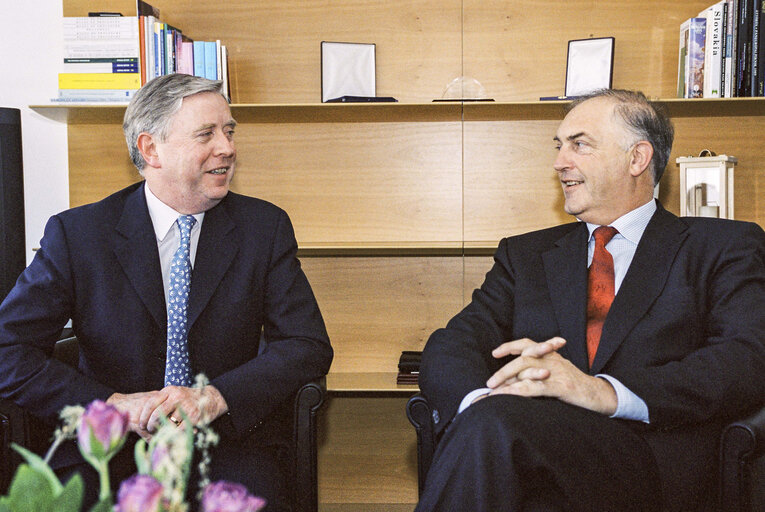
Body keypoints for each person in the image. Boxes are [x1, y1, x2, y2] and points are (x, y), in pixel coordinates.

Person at [415, 89, 765, 511]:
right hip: (526, 444)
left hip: (651, 460)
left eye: (579, 144)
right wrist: (479, 401)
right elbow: (453, 343)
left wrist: (604, 392)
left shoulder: (721, 246)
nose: (560, 161)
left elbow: (746, 358)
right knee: (490, 424)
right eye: (559, 146)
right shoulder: (524, 255)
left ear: (637, 159)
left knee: (494, 433)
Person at [0, 73, 333, 511]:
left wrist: (213, 398)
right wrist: (109, 406)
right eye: (206, 134)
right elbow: (8, 348)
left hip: (225, 441)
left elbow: (307, 345)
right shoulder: (79, 235)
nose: (227, 148)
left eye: (229, 131)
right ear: (150, 149)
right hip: (109, 450)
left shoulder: (263, 229)